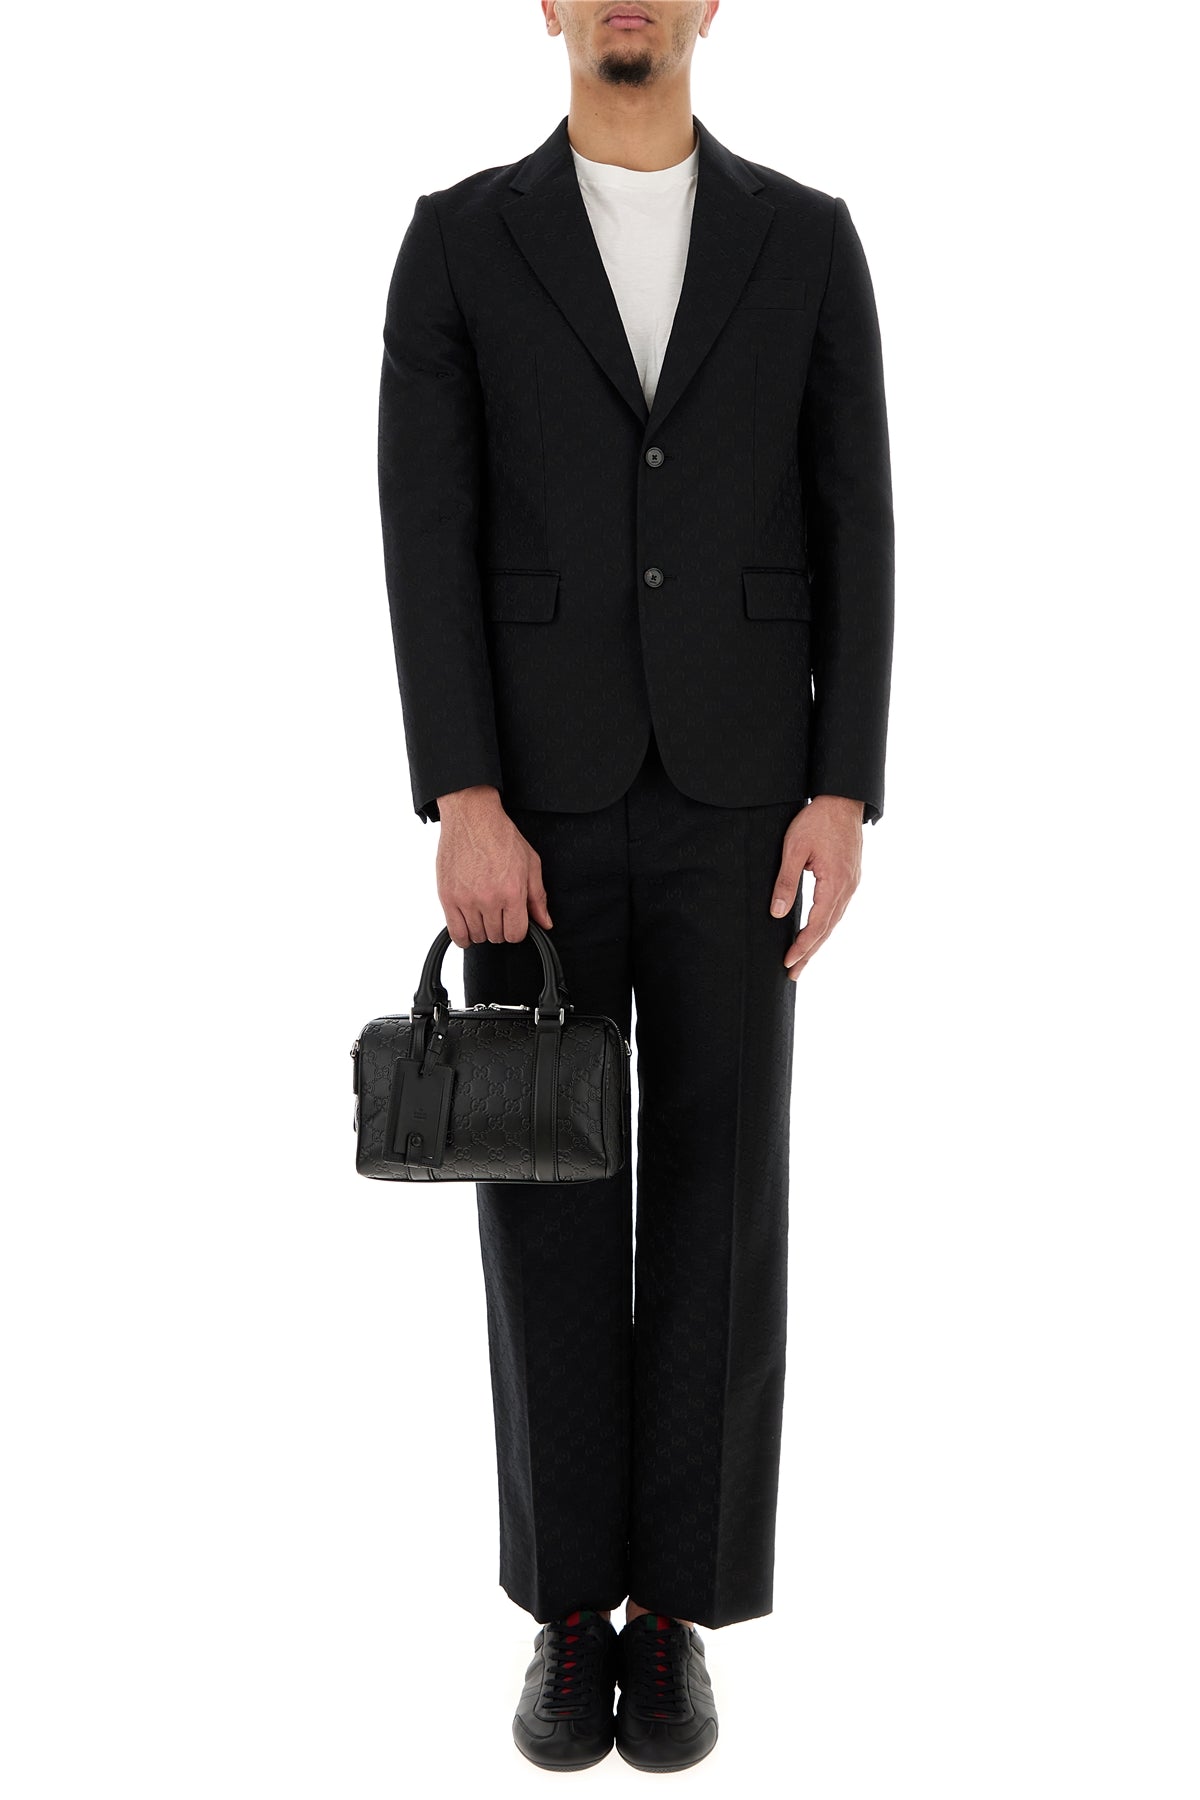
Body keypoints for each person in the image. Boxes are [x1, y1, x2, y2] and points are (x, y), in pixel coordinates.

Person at [376, 0, 893, 1772]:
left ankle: (677, 1613)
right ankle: (566, 1611)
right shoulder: (460, 241)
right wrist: (462, 793)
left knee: (724, 1199)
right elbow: (425, 530)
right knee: (542, 1200)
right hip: (532, 808)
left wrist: (844, 787)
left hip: (746, 803)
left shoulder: (806, 240)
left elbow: (857, 514)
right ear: (547, 3)